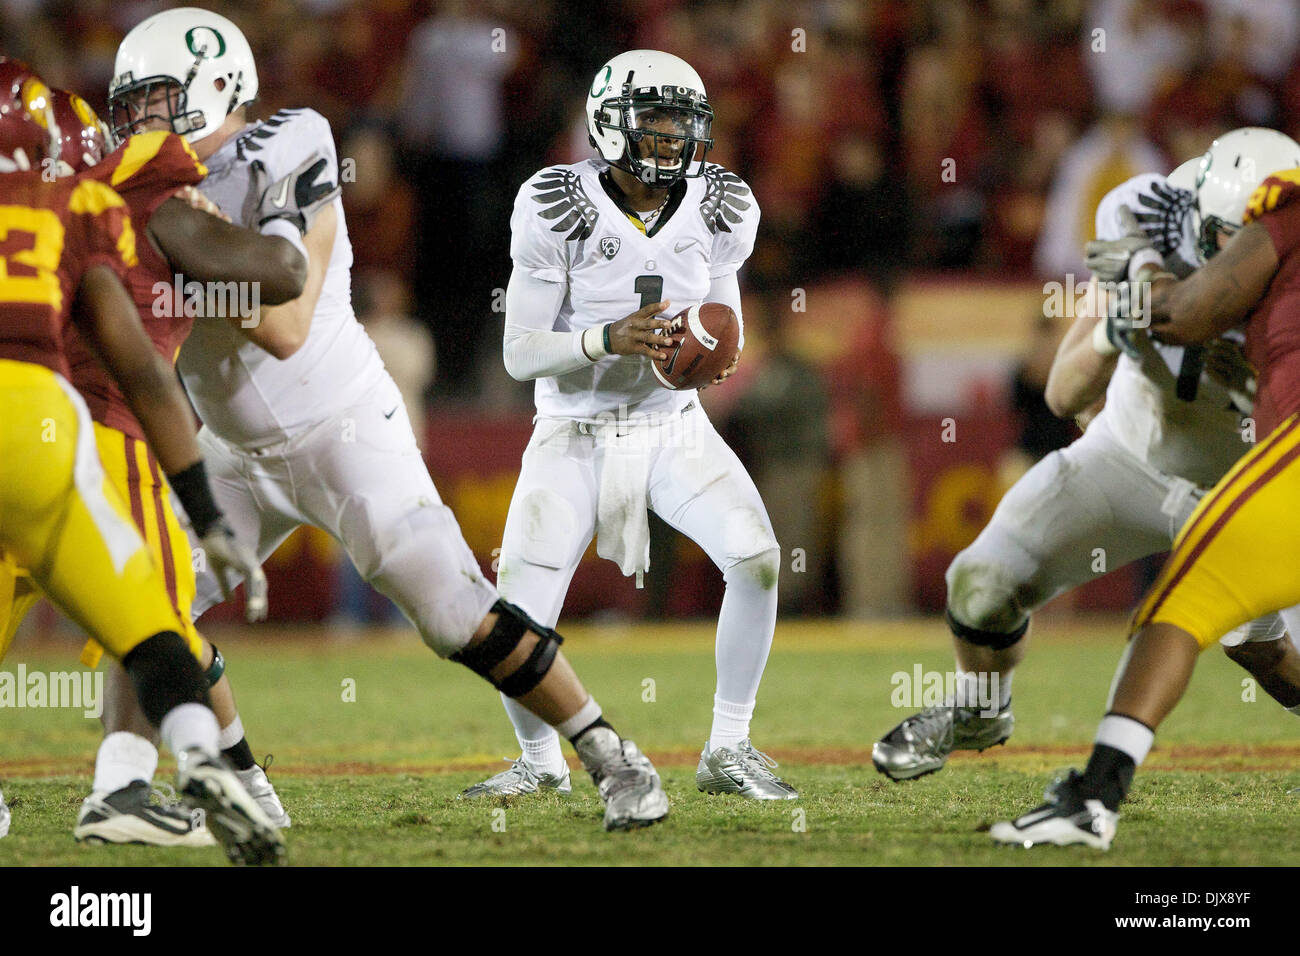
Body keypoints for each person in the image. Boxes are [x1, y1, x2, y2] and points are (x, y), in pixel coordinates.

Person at [108, 7, 667, 832]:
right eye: (130, 105)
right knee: (142, 608)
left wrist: (169, 282)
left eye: (154, 100)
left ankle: (612, 754)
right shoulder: (138, 189)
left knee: (452, 613)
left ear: (215, 85)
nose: (138, 122)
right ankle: (233, 789)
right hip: (230, 447)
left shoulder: (284, 143)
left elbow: (288, 325)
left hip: (340, 425)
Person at [875, 150, 1300, 784]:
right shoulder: (1153, 239)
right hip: (1127, 460)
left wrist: (1252, 384)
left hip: (1244, 491)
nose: (1237, 262)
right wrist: (1115, 332)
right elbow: (1062, 396)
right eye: (1226, 240)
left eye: (1255, 245)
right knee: (980, 583)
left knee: (1271, 662)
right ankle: (981, 707)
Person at [463, 50, 796, 802]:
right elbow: (519, 352)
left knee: (759, 559)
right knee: (516, 613)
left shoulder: (720, 204)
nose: (673, 137)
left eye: (684, 122)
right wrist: (606, 339)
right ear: (609, 122)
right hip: (573, 429)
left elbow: (724, 321)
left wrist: (710, 357)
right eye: (656, 119)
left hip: (670, 423)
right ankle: (539, 760)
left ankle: (730, 746)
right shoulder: (557, 201)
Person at [0, 83, 311, 845]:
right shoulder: (98, 199)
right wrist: (275, 214)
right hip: (82, 427)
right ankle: (136, 787)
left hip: (55, 424)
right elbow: (272, 279)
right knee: (155, 617)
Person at [991, 126, 1300, 849]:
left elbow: (1188, 310)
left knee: (1186, 613)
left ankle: (1095, 798)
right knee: (1210, 622)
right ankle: (1095, 796)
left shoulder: (1274, 219)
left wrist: (1138, 286)